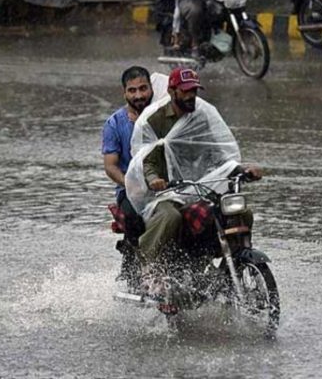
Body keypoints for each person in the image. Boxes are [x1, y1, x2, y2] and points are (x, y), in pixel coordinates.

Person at [125, 67, 261, 298]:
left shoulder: (202, 115)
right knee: (171, 216)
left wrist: (241, 168)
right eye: (185, 91)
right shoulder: (153, 119)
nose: (191, 96)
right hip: (164, 192)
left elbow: (216, 152)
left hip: (199, 186)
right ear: (171, 90)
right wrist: (154, 179)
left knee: (239, 212)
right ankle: (149, 267)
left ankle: (231, 263)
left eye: (194, 91)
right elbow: (145, 158)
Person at [101, 66, 155, 286]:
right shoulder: (114, 124)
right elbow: (111, 166)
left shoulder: (161, 116)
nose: (139, 95)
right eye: (132, 90)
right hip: (130, 191)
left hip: (165, 186)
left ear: (152, 88)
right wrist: (132, 184)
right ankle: (135, 267)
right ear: (124, 93)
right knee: (133, 216)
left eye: (143, 88)